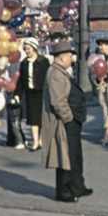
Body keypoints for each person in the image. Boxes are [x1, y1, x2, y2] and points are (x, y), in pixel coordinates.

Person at [41, 40, 92, 203]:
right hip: (64, 122)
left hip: (71, 121)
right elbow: (58, 102)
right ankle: (64, 192)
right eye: (70, 56)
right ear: (62, 58)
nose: (72, 59)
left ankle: (78, 187)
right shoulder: (55, 74)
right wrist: (69, 117)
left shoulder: (60, 71)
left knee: (75, 155)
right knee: (65, 157)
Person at [18, 38, 49, 151]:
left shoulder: (43, 61)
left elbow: (47, 78)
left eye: (28, 49)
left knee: (41, 117)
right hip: (30, 93)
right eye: (25, 49)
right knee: (32, 118)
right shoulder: (24, 63)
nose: (27, 51)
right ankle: (36, 141)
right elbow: (21, 81)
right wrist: (18, 95)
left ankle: (41, 140)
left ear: (34, 48)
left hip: (41, 93)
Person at [2, 59, 26, 149]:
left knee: (14, 121)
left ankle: (20, 141)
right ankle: (18, 139)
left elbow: (17, 82)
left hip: (14, 95)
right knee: (12, 120)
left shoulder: (16, 65)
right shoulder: (6, 65)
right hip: (9, 94)